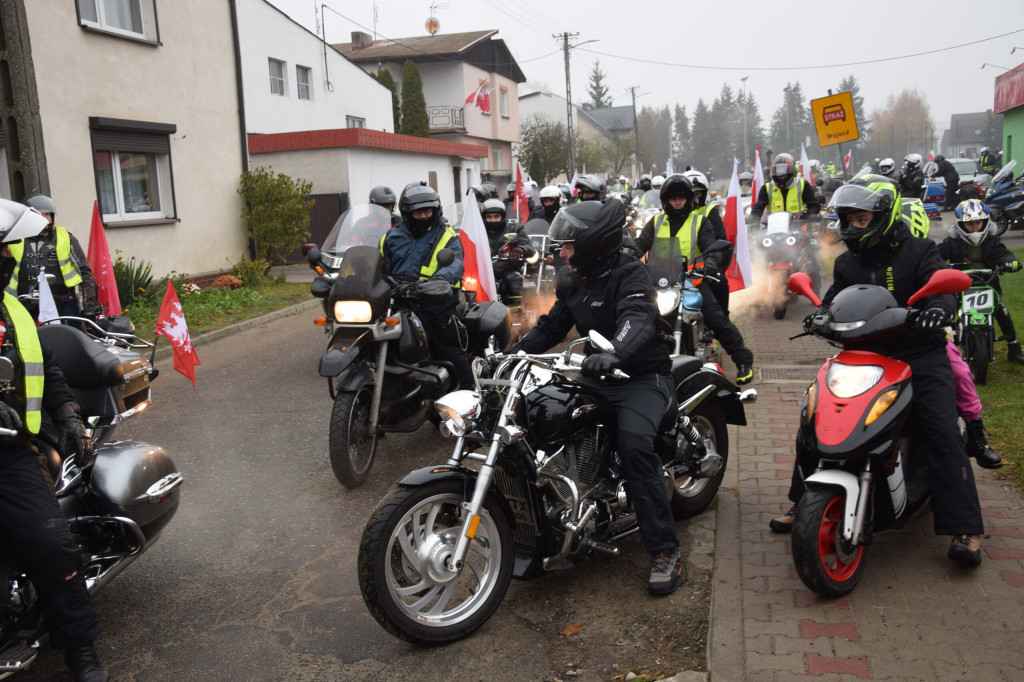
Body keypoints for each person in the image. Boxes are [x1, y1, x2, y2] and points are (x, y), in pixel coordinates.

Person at [772, 174, 985, 567]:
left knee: (939, 428)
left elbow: (942, 289)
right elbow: (835, 299)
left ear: (884, 216)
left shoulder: (920, 251)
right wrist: (819, 315)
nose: (851, 226)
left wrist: (938, 309)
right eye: (848, 219)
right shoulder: (848, 261)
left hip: (918, 354)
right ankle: (801, 500)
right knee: (814, 420)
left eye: (860, 219)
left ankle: (965, 526)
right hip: (863, 354)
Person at [508, 199, 684, 595]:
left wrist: (614, 353)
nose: (562, 253)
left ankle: (664, 550)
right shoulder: (573, 278)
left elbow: (636, 320)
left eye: (568, 246)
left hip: (640, 376)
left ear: (593, 243)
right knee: (539, 415)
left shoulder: (630, 272)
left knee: (636, 448)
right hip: (597, 375)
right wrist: (514, 351)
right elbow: (554, 325)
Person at [0, 199, 108, 681]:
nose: (8, 258)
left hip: (8, 453)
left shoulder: (14, 313)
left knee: (51, 545)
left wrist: (66, 413)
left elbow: (46, 366)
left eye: (6, 251)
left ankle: (80, 648)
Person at [634, 174, 755, 385]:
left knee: (716, 319)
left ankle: (743, 362)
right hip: (659, 283)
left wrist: (711, 263)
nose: (678, 202)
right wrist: (627, 258)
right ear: (666, 200)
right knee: (634, 315)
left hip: (691, 281)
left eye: (681, 198)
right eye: (674, 198)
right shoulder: (656, 222)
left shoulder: (700, 221)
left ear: (688, 199)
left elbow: (712, 247)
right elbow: (639, 245)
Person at [381, 182, 472, 389]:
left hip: (434, 301)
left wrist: (440, 281)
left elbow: (455, 263)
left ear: (436, 209)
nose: (423, 216)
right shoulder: (391, 236)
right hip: (397, 302)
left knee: (449, 351)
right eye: (417, 212)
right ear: (406, 213)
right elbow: (377, 264)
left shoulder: (447, 236)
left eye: (427, 211)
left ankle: (470, 399)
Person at [939, 198, 1024, 366]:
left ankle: (1014, 348)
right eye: (970, 224)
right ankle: (943, 347)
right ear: (960, 224)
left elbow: (1002, 254)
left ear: (985, 222)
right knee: (947, 312)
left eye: (978, 222)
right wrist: (936, 265)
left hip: (988, 284)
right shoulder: (952, 242)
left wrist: (1009, 261)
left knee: (1002, 311)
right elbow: (937, 255)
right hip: (959, 284)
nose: (974, 227)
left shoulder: (992, 241)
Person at [9, 194, 100, 321]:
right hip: (25, 304)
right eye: (41, 214)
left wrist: (88, 304)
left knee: (73, 337)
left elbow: (84, 271)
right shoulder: (15, 239)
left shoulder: (65, 237)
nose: (46, 218)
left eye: (48, 214)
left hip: (63, 303)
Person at [682, 170, 734, 314]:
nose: (694, 198)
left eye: (698, 194)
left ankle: (723, 316)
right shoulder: (672, 213)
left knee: (720, 282)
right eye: (690, 193)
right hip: (676, 266)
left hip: (703, 265)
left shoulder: (709, 210)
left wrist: (712, 262)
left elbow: (721, 239)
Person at [480, 199, 536, 306]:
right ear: (484, 217)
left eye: (496, 216)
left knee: (513, 278)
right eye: (489, 217)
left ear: (502, 216)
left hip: (507, 268)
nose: (493, 220)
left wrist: (521, 249)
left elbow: (529, 246)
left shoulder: (513, 229)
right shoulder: (477, 231)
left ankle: (517, 312)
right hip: (483, 271)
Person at [749, 153, 821, 223]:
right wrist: (753, 217)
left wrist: (809, 216)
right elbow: (759, 206)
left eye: (784, 176)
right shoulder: (767, 188)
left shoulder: (803, 185)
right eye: (779, 176)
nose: (781, 178)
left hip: (799, 226)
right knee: (758, 234)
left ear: (791, 173)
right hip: (773, 227)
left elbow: (813, 205)